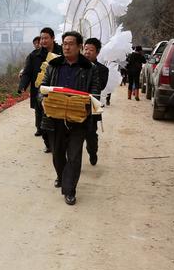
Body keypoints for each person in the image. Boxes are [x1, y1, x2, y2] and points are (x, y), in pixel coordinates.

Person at [40, 31, 100, 206]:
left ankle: (70, 190)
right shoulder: (54, 65)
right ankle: (61, 175)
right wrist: (43, 100)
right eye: (64, 43)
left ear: (79, 46)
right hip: (55, 118)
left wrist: (88, 108)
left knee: (74, 155)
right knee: (58, 154)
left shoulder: (90, 68)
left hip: (78, 119)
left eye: (71, 43)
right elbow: (42, 88)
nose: (66, 47)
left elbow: (95, 92)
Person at [18, 27, 63, 153]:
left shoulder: (62, 53)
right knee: (41, 124)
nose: (43, 41)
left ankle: (58, 144)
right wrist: (22, 86)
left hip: (57, 91)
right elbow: (27, 72)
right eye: (41, 38)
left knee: (57, 119)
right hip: (40, 93)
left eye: (46, 38)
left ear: (53, 38)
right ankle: (48, 143)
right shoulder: (34, 56)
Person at [83, 38, 109, 166]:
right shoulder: (76, 65)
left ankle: (93, 152)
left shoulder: (102, 69)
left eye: (91, 50)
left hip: (93, 104)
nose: (87, 52)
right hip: (76, 104)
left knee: (91, 134)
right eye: (85, 49)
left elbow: (101, 86)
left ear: (97, 53)